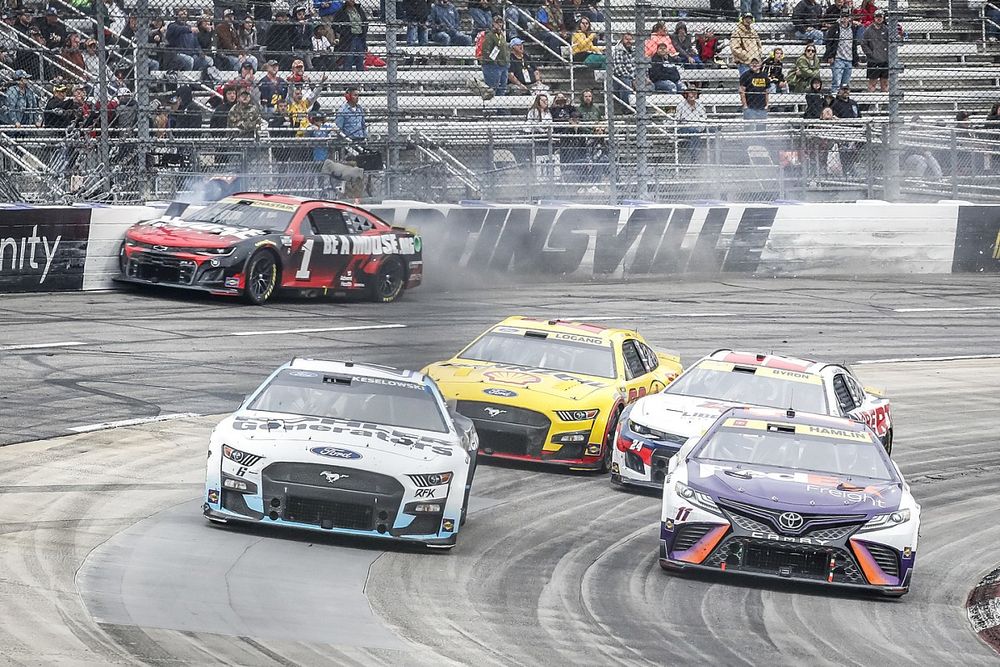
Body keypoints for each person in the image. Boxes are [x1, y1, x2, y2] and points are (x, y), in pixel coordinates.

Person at [824, 11, 859, 92]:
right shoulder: (835, 27)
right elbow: (829, 42)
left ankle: (842, 101)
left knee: (845, 84)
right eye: (843, 16)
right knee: (836, 82)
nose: (844, 19)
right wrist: (830, 56)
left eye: (846, 17)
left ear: (849, 18)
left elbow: (854, 45)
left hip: (849, 59)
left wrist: (855, 59)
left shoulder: (852, 29)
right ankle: (834, 99)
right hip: (838, 58)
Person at [332, 0, 367, 71]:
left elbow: (365, 21)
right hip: (349, 38)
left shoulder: (358, 9)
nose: (352, 1)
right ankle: (348, 79)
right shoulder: (342, 11)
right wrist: (343, 32)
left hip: (360, 37)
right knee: (348, 59)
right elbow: (334, 25)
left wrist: (364, 31)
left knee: (360, 59)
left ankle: (360, 78)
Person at [481, 15, 510, 96]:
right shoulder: (489, 36)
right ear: (493, 24)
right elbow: (486, 51)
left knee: (502, 88)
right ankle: (490, 107)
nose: (499, 25)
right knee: (493, 88)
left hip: (503, 65)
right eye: (497, 23)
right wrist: (494, 62)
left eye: (501, 22)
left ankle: (500, 108)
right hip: (492, 66)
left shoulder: (501, 35)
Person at [860, 9, 889, 92]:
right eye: (877, 17)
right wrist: (870, 54)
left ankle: (885, 103)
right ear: (874, 18)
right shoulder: (868, 30)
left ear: (883, 18)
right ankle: (871, 102)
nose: (879, 19)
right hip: (873, 60)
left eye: (881, 17)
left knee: (885, 83)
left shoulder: (887, 30)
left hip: (885, 60)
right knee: (872, 82)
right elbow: (864, 44)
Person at [676, 88, 708, 160]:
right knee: (694, 131)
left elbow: (704, 119)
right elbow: (677, 120)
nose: (692, 94)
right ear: (686, 94)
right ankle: (694, 158)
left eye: (694, 92)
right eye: (690, 92)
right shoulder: (681, 105)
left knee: (714, 130)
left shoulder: (700, 105)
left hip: (699, 127)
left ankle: (717, 157)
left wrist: (700, 128)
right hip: (684, 128)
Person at [739, 57, 769, 128]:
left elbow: (767, 91)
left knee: (761, 129)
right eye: (753, 63)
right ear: (750, 64)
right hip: (750, 107)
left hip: (762, 107)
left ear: (760, 64)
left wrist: (767, 104)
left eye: (756, 63)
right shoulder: (745, 75)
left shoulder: (764, 75)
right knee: (749, 128)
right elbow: (742, 91)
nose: (754, 65)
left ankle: (762, 139)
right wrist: (745, 106)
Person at [611, 33, 636, 99]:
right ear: (622, 40)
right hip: (620, 78)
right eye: (626, 39)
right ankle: (626, 106)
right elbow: (619, 70)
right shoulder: (618, 51)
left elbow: (639, 67)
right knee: (627, 82)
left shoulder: (634, 51)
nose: (628, 41)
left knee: (650, 84)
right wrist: (633, 79)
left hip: (634, 77)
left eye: (630, 39)